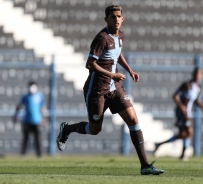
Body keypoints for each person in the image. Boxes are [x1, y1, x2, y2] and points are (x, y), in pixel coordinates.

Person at [56, 5, 164, 175]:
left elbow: (117, 53)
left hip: (115, 88)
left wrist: (129, 70)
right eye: (112, 17)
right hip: (97, 90)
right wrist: (112, 74)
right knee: (94, 130)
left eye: (119, 16)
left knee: (133, 119)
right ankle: (67, 129)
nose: (116, 19)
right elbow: (90, 64)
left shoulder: (120, 36)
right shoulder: (101, 38)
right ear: (106, 19)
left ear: (123, 18)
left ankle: (145, 166)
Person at [153, 68, 203, 160]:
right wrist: (181, 106)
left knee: (183, 134)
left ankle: (159, 144)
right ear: (193, 74)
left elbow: (195, 100)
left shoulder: (198, 87)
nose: (197, 76)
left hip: (188, 113)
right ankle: (183, 155)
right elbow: (175, 96)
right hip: (181, 112)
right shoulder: (186, 84)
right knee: (189, 131)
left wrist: (201, 106)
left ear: (201, 76)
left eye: (199, 74)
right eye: (195, 73)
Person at [13, 81, 45, 157]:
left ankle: (39, 154)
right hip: (27, 121)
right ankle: (23, 154)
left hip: (36, 121)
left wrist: (43, 118)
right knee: (25, 139)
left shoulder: (39, 96)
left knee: (37, 139)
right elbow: (19, 106)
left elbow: (42, 108)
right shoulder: (25, 96)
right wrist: (16, 115)